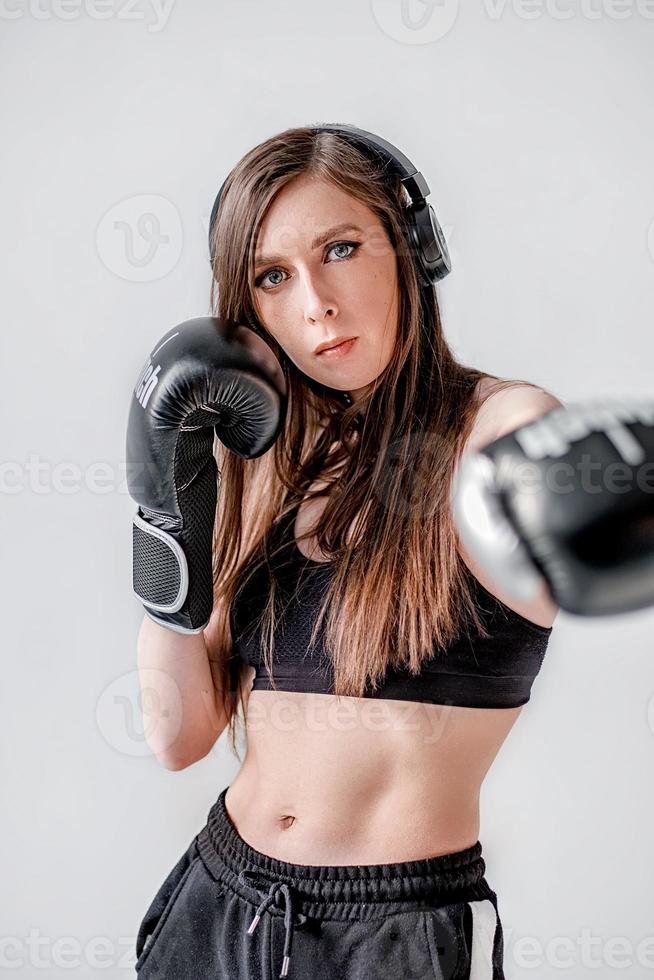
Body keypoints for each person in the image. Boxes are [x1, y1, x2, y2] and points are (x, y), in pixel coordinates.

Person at [131, 124, 564, 979]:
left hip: (391, 931)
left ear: (410, 249)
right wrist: (165, 508)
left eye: (340, 248)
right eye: (273, 276)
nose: (315, 303)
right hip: (217, 899)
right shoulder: (271, 468)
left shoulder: (498, 428)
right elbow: (179, 738)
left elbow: (554, 470)